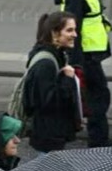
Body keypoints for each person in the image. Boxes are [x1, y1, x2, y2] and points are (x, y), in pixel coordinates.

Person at [55, 0, 112, 148]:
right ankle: (98, 141)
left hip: (90, 52)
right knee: (99, 95)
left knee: (93, 94)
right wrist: (76, 59)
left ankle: (96, 138)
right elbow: (73, 25)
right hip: (85, 53)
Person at [25, 11, 80, 153]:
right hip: (48, 135)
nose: (75, 34)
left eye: (75, 29)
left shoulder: (58, 54)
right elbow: (48, 102)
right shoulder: (46, 63)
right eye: (69, 30)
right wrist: (68, 79)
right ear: (54, 33)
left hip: (53, 132)